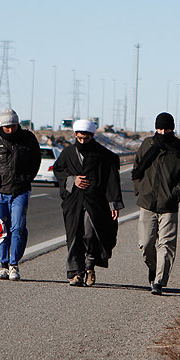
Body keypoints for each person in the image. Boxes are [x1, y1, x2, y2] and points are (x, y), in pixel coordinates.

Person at [52, 119, 124, 286]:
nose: (83, 142)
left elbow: (112, 180)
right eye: (80, 138)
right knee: (74, 236)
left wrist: (114, 203)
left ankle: (90, 266)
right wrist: (72, 180)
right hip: (73, 202)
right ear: (75, 136)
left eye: (86, 138)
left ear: (93, 136)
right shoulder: (68, 153)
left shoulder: (104, 156)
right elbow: (58, 170)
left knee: (91, 235)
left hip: (95, 202)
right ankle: (77, 273)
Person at [0, 108, 41, 281]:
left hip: (20, 190)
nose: (10, 130)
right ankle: (3, 265)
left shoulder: (28, 138)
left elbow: (36, 159)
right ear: (1, 126)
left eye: (13, 126)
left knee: (18, 227)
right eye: (6, 127)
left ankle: (14, 264)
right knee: (2, 229)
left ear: (17, 123)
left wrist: (28, 178)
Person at [131, 112, 180, 295]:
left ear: (172, 128)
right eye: (159, 128)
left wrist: (174, 195)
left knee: (166, 245)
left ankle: (158, 281)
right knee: (146, 243)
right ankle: (153, 268)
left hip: (169, 205)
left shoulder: (179, 149)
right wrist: (140, 190)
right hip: (147, 202)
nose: (162, 132)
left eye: (166, 128)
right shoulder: (148, 144)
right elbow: (137, 169)